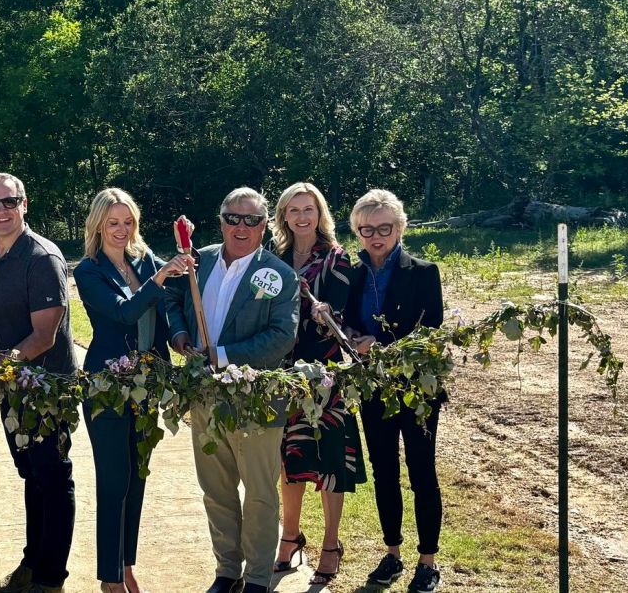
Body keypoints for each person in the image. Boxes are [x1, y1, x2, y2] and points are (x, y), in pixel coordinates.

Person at [165, 187, 300, 593]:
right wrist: (179, 332)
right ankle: (227, 571)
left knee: (259, 493)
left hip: (256, 399)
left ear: (265, 226)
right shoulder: (196, 262)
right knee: (216, 489)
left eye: (252, 220)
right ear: (221, 220)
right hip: (205, 398)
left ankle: (257, 577)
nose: (241, 227)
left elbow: (282, 336)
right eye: (233, 218)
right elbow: (171, 301)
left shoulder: (279, 275)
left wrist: (221, 354)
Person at [73, 188, 193, 593]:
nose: (122, 230)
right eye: (113, 223)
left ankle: (125, 564)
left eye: (128, 222)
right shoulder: (88, 271)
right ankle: (109, 576)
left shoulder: (143, 259)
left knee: (137, 475)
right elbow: (124, 311)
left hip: (146, 385)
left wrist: (186, 251)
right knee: (113, 477)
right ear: (98, 225)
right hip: (106, 386)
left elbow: (176, 289)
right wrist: (160, 277)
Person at [0, 173, 77, 593]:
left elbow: (43, 336)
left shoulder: (42, 257)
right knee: (31, 473)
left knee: (53, 475)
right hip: (11, 386)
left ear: (24, 204)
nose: (1, 211)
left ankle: (51, 579)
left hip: (48, 389)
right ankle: (32, 564)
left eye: (9, 202)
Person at [342, 189, 445, 593]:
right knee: (384, 471)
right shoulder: (352, 274)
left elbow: (431, 331)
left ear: (400, 227)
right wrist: (350, 335)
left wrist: (382, 347)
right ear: (358, 231)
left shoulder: (423, 271)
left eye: (384, 227)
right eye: (367, 229)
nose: (376, 236)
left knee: (422, 472)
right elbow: (348, 321)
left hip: (417, 391)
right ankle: (393, 553)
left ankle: (428, 561)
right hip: (373, 389)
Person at [269, 182, 367, 586]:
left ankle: (330, 543)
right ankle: (290, 537)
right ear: (284, 216)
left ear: (319, 212)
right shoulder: (271, 259)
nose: (302, 216)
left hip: (323, 373)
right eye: (294, 210)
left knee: (330, 461)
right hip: (279, 372)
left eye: (309, 208)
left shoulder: (337, 259)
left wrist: (320, 313)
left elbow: (337, 317)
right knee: (287, 460)